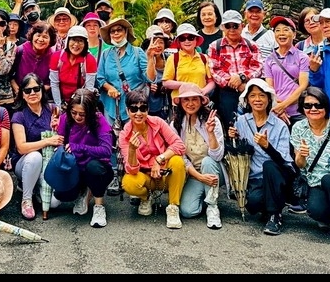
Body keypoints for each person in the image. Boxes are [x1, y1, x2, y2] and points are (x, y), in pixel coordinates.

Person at [228, 79, 292, 235]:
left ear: (269, 99)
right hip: (254, 177)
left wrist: (267, 146)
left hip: (277, 175)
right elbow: (238, 151)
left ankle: (275, 216)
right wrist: (232, 138)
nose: (257, 99)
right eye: (253, 96)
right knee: (254, 203)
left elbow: (284, 161)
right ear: (247, 100)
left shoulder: (280, 125)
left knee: (269, 165)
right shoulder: (241, 121)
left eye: (262, 95)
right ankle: (269, 206)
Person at [289, 87, 330, 245]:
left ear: (326, 106)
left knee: (329, 180)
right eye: (308, 106)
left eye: (318, 105)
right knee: (315, 210)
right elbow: (300, 164)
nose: (313, 109)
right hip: (314, 180)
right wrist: (301, 155)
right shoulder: (298, 128)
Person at [118, 89, 187, 229]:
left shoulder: (158, 123)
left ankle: (173, 207)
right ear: (127, 110)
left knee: (177, 161)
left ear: (148, 109)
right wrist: (132, 150)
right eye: (134, 109)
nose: (138, 113)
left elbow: (179, 145)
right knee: (129, 182)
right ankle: (145, 198)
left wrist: (159, 159)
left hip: (164, 174)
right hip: (146, 177)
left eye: (143, 108)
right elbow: (131, 170)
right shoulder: (125, 134)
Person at [96, 17, 149, 195]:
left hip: (135, 106)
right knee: (113, 140)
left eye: (119, 30)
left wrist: (151, 58)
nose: (116, 33)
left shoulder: (137, 52)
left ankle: (136, 178)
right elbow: (100, 78)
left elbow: (149, 78)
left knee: (136, 139)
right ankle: (115, 177)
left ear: (126, 32)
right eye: (113, 31)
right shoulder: (105, 54)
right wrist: (109, 88)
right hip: (111, 104)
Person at [170, 83, 226, 230]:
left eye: (194, 99)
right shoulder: (175, 124)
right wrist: (200, 177)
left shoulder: (212, 121)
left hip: (213, 169)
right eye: (185, 100)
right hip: (193, 173)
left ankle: (212, 207)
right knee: (188, 211)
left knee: (208, 161)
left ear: (201, 101)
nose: (190, 104)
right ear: (180, 103)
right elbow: (181, 156)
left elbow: (218, 155)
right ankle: (204, 193)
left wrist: (210, 133)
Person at [56, 88, 115, 227]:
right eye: (74, 113)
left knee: (93, 167)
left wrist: (79, 147)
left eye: (82, 114)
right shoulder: (65, 118)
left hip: (97, 168)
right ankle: (83, 190)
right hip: (74, 166)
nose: (77, 117)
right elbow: (60, 142)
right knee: (62, 195)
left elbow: (107, 151)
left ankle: (99, 206)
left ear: (90, 112)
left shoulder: (99, 120)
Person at [10, 73, 63, 220]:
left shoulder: (53, 109)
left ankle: (38, 189)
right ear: (22, 94)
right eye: (27, 90)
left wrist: (57, 129)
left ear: (42, 89)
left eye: (36, 89)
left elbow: (60, 138)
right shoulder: (19, 116)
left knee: (53, 203)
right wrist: (47, 141)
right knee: (35, 156)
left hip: (48, 163)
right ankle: (27, 199)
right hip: (25, 161)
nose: (32, 93)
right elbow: (21, 148)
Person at [208, 9, 263, 131]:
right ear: (223, 27)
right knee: (231, 126)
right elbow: (215, 70)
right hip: (227, 93)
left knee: (252, 124)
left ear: (242, 26)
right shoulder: (215, 46)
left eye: (235, 26)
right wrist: (235, 84)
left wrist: (242, 78)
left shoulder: (251, 45)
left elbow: (257, 66)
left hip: (248, 90)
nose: (232, 29)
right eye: (228, 26)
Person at [263, 15, 310, 128]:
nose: (281, 33)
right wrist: (279, 108)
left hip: (298, 111)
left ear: (294, 34)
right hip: (276, 112)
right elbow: (270, 89)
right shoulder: (269, 59)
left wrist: (283, 105)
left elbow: (303, 86)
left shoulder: (302, 57)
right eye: (277, 30)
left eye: (286, 30)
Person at [162, 22, 215, 99]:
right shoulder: (173, 58)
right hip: (180, 102)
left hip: (200, 101)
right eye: (182, 39)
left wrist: (203, 91)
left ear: (196, 40)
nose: (187, 41)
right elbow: (166, 82)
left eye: (191, 37)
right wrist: (186, 85)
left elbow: (211, 81)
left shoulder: (204, 58)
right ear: (179, 42)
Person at [49, 25, 99, 107]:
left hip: (81, 101)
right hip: (61, 100)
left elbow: (89, 88)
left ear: (85, 43)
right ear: (68, 40)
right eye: (73, 40)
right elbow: (54, 84)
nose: (76, 44)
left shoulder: (89, 60)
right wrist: (59, 105)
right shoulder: (57, 57)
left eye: (80, 41)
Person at [10, 21, 57, 96]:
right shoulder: (20, 50)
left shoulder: (53, 56)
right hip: (18, 95)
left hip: (40, 97)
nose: (41, 39)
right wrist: (19, 91)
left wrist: (35, 93)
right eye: (38, 35)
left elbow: (51, 82)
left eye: (45, 37)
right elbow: (10, 75)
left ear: (50, 41)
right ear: (32, 36)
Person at [140, 24, 170, 120]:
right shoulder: (142, 58)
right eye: (154, 42)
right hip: (147, 103)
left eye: (161, 42)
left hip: (165, 104)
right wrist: (148, 85)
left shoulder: (169, 58)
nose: (157, 45)